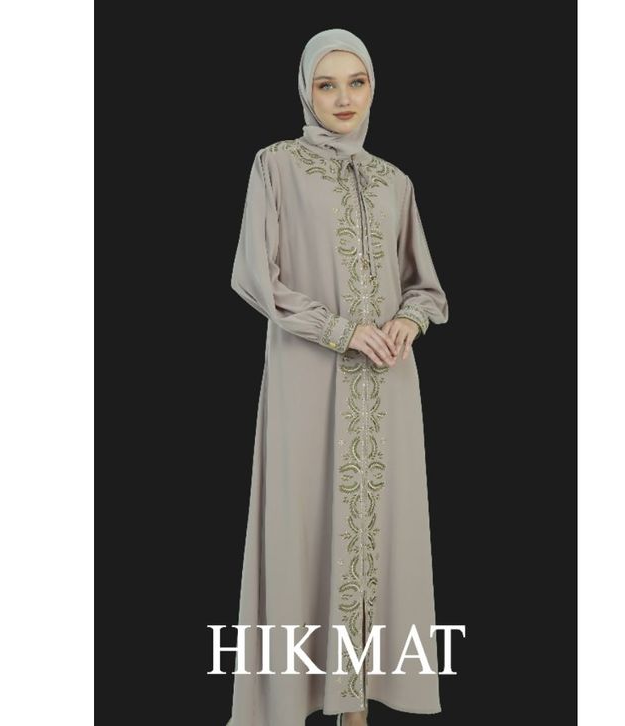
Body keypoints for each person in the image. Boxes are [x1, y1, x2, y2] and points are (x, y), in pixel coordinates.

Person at [226, 27, 449, 726]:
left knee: (381, 531)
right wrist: (341, 329)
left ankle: (359, 709)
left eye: (357, 82)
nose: (343, 98)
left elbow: (425, 287)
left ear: (374, 88)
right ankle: (296, 699)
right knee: (305, 524)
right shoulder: (276, 165)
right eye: (327, 85)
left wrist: (408, 322)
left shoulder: (394, 181)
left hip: (387, 385)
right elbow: (256, 276)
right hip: (308, 378)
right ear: (306, 91)